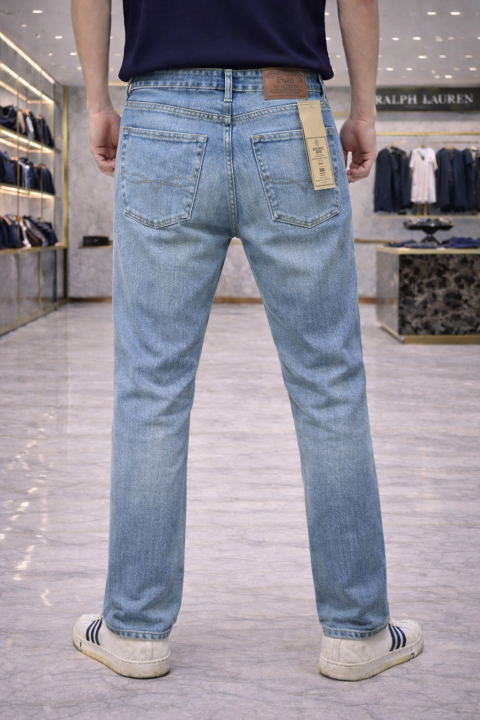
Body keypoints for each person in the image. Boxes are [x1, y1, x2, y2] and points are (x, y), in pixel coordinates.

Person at [71, 0, 423, 681]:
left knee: (151, 388)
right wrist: (364, 110)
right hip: (290, 111)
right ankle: (358, 633)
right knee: (328, 385)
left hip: (162, 113)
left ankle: (135, 631)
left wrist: (96, 101)